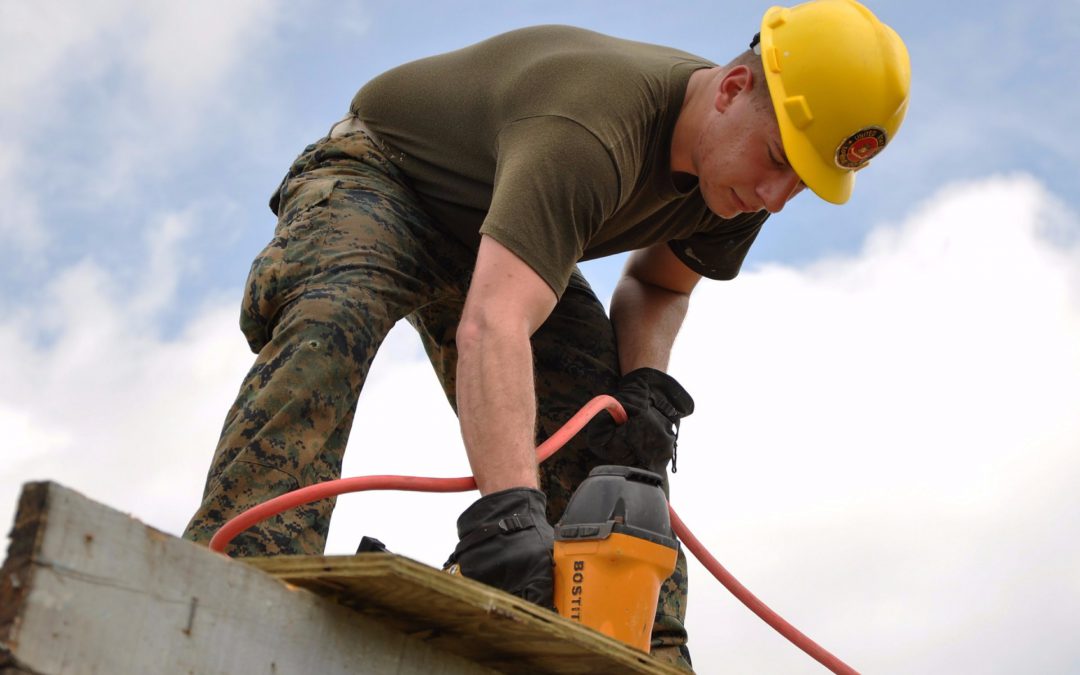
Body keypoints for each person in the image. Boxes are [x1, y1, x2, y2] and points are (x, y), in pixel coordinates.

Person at [184, 0, 910, 668]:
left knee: (616, 437)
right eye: (780, 160)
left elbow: (657, 284)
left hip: (502, 235)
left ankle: (646, 649)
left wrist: (643, 383)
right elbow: (494, 322)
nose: (775, 198)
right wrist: (508, 515)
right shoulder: (592, 131)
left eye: (803, 184)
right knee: (332, 323)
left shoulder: (743, 184)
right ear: (730, 91)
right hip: (387, 178)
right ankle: (236, 571)